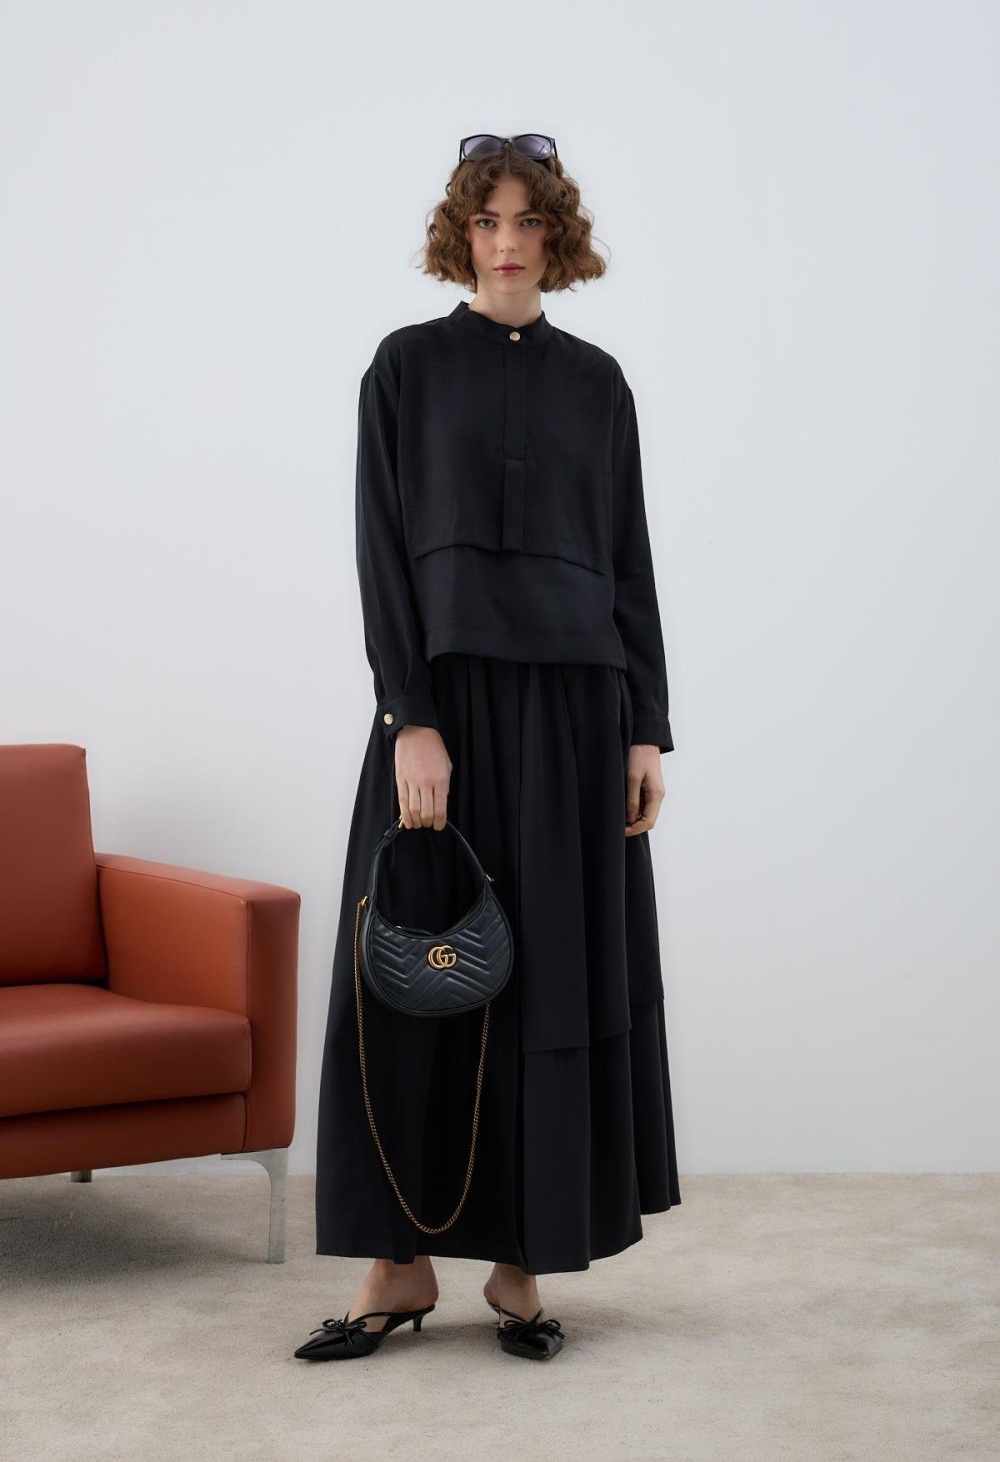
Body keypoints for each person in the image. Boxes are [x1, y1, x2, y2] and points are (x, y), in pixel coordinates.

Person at [297, 134, 681, 1364]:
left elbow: (627, 562)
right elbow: (380, 550)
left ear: (554, 235)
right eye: (486, 220)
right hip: (446, 706)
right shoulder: (406, 367)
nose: (506, 242)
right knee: (410, 973)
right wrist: (409, 714)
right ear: (459, 233)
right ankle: (398, 1263)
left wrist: (644, 725)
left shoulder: (598, 383)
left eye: (526, 220)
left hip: (575, 711)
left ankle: (524, 1256)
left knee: (550, 976)